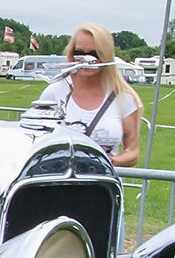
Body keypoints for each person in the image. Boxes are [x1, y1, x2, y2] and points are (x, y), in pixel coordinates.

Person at [38, 22, 140, 167]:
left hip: (102, 185)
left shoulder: (124, 97)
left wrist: (105, 162)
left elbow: (132, 152)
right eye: (79, 53)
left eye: (94, 54)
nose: (86, 59)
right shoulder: (55, 92)